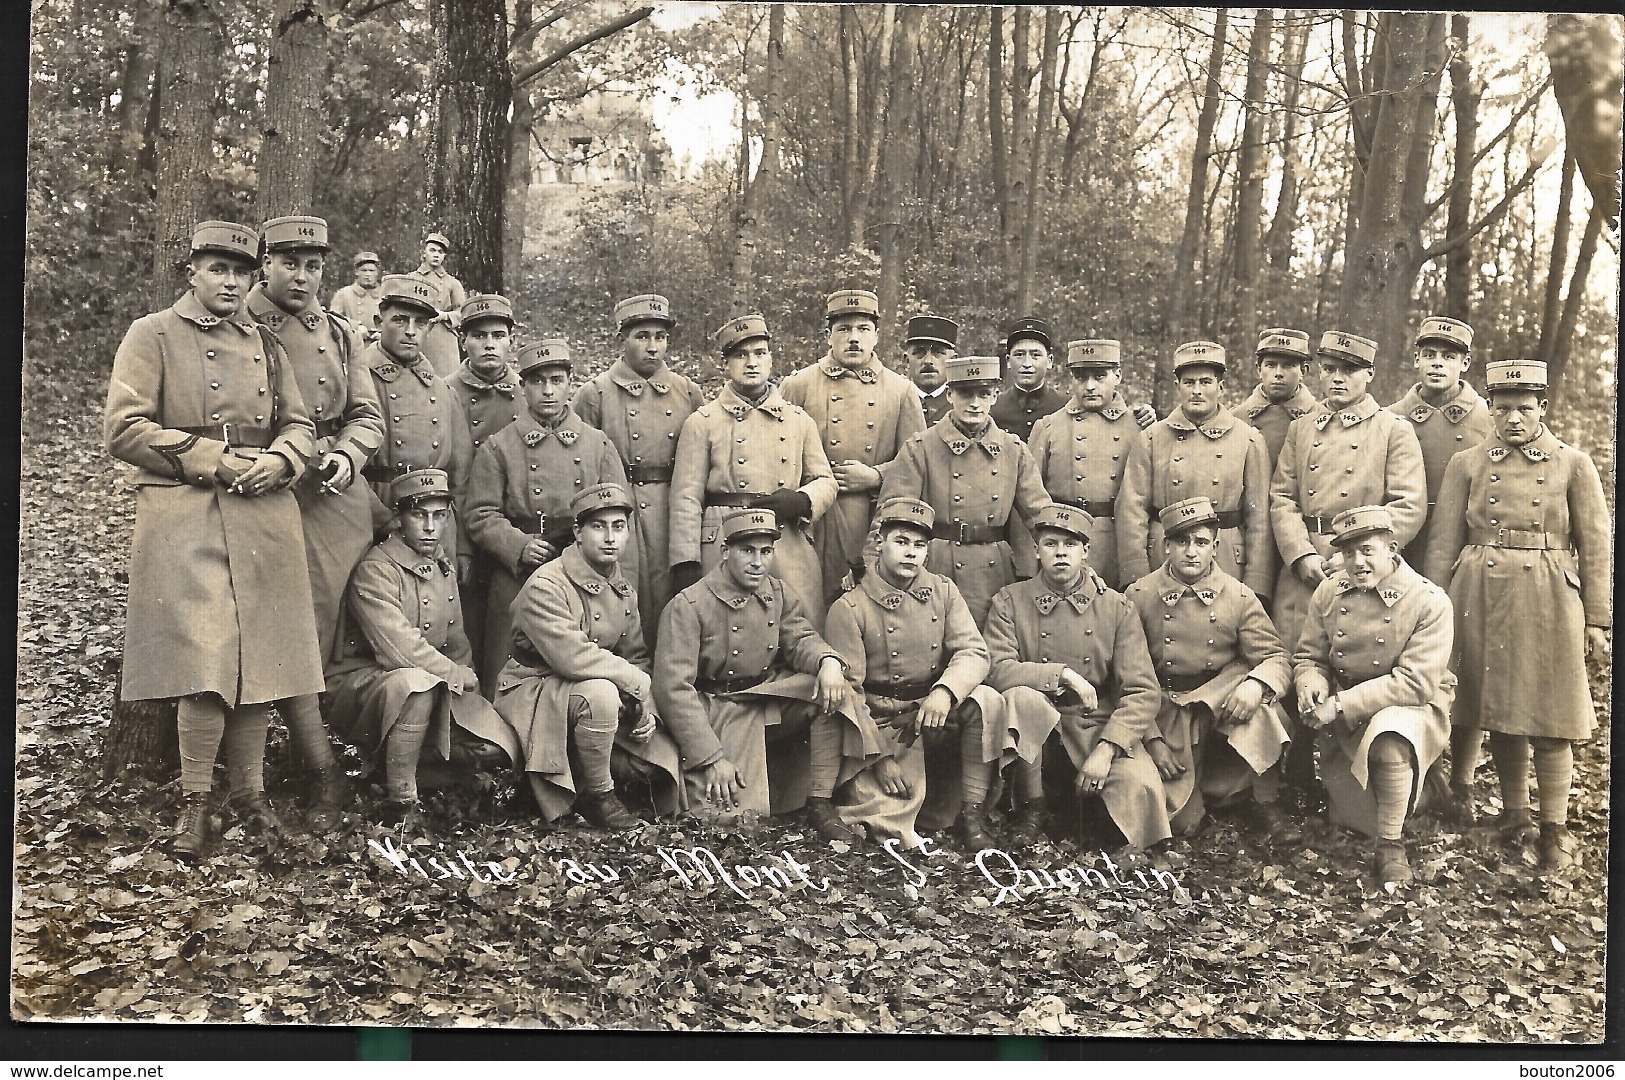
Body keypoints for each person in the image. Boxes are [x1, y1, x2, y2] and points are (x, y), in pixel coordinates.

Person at [105, 220, 322, 856]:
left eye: (242, 272)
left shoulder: (266, 342)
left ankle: (251, 797)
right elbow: (124, 428)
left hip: (263, 509)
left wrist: (283, 460)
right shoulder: (153, 334)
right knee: (204, 661)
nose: (230, 282)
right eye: (217, 269)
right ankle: (194, 800)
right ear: (192, 271)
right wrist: (212, 459)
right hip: (187, 507)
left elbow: (302, 425)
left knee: (263, 660)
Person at [1426, 359, 1611, 870]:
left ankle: (1553, 828)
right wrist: (1434, 611)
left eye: (1523, 409)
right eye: (1502, 408)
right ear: (1489, 408)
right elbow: (1444, 544)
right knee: (1500, 709)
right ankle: (1514, 814)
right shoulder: (1467, 463)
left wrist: (1597, 619)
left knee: (1551, 714)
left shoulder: (1573, 463)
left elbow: (1596, 546)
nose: (1512, 419)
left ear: (1542, 409)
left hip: (1549, 593)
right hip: (1477, 590)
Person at [246, 214, 386, 832]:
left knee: (340, 628)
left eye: (313, 266)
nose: (301, 278)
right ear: (265, 265)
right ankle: (317, 766)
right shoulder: (237, 324)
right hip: (271, 492)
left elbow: (367, 416)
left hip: (337, 494)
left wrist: (348, 456)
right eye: (288, 264)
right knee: (289, 629)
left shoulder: (339, 331)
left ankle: (336, 751)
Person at [655, 508, 885, 830]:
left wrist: (827, 661)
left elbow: (799, 638)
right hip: (718, 711)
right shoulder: (689, 605)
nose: (757, 562)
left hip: (763, 695)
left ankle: (819, 801)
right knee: (734, 821)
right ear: (724, 552)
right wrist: (711, 758)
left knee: (834, 693)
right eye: (747, 551)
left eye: (766, 552)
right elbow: (673, 689)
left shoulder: (775, 592)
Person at [1270, 331, 1426, 795]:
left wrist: (1353, 558)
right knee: (1295, 655)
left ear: (1370, 375)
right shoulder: (1303, 427)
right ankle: (1291, 765)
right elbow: (1281, 497)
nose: (1337, 379)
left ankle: (1355, 773)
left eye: (1349, 370)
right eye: (1330, 369)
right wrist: (1299, 552)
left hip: (1360, 566)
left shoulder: (1393, 429)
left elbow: (1408, 504)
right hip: (1303, 564)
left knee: (1356, 661)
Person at [326, 470, 518, 828]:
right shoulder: (377, 569)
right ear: (398, 518)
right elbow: (399, 652)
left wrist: (468, 697)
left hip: (435, 682)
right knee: (415, 686)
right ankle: (403, 802)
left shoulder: (440, 563)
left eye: (439, 516)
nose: (430, 527)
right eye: (419, 515)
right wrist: (457, 676)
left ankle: (406, 763)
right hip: (369, 687)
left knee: (500, 749)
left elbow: (456, 641)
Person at [825, 497, 1020, 850]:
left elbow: (974, 652)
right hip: (883, 726)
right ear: (879, 543)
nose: (910, 553)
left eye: (919, 545)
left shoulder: (942, 591)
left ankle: (971, 812)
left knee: (986, 699)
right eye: (901, 542)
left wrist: (945, 691)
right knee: (888, 823)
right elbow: (850, 695)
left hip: (932, 713)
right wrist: (879, 760)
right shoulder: (850, 607)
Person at [493, 483, 684, 829]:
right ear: (577, 533)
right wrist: (637, 683)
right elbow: (573, 658)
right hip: (534, 691)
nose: (610, 537)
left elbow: (635, 653)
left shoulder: (620, 585)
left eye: (619, 527)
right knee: (601, 694)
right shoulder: (547, 584)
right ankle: (598, 794)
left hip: (591, 693)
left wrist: (647, 707)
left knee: (660, 760)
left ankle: (574, 779)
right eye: (598, 527)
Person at [983, 505, 1169, 851]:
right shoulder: (1010, 601)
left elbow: (1142, 691)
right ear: (1036, 550)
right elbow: (996, 669)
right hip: (1035, 731)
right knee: (1023, 699)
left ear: (1086, 551)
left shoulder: (1115, 607)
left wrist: (1108, 747)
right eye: (1051, 544)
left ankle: (1088, 815)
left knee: (1138, 787)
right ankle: (1032, 807)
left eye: (1071, 545)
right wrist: (1063, 675)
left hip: (1094, 723)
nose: (1061, 553)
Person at [1294, 506, 1455, 887]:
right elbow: (1308, 655)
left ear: (1392, 549)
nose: (1357, 562)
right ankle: (1425, 786)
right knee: (1353, 818)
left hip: (1410, 705)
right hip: (1348, 708)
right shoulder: (1330, 592)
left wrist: (1338, 705)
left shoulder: (1428, 600)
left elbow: (1414, 682)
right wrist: (1311, 681)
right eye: (1348, 553)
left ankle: (1391, 848)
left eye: (1367, 550)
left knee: (1388, 742)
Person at [466, 338, 632, 695]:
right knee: (507, 665)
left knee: (582, 660)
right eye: (537, 382)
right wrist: (519, 545)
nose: (548, 391)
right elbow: (480, 513)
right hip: (520, 568)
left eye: (556, 380)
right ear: (522, 387)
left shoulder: (597, 443)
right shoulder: (499, 446)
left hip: (582, 566)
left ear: (570, 383)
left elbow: (619, 507)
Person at [1123, 498, 1291, 836]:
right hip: (1164, 706)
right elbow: (1123, 676)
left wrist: (1256, 684)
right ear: (1165, 545)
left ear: (1215, 547)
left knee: (1262, 711)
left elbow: (1276, 657)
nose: (1191, 552)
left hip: (1219, 702)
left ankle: (1265, 800)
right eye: (1181, 541)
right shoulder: (1139, 595)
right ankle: (1202, 792)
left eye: (1201, 542)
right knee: (1182, 823)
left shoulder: (1238, 596)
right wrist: (1152, 740)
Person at [669, 313, 837, 630]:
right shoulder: (703, 421)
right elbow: (686, 497)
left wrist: (802, 500)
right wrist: (685, 561)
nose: (751, 362)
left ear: (771, 359)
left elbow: (825, 480)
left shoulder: (799, 420)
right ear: (726, 364)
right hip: (725, 538)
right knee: (725, 629)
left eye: (759, 353)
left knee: (798, 625)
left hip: (783, 536)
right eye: (740, 355)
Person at [877, 355, 1052, 628]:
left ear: (995, 395)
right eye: (965, 394)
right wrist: (871, 569)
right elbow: (890, 514)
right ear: (949, 394)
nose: (974, 403)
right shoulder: (921, 447)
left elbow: (1041, 516)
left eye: (983, 394)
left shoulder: (1013, 450)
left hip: (994, 570)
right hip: (936, 568)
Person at [573, 294, 706, 647]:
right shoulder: (595, 394)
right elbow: (581, 463)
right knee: (622, 590)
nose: (652, 347)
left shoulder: (687, 392)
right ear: (622, 338)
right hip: (618, 507)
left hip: (670, 507)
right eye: (642, 336)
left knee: (670, 596)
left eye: (659, 337)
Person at [780, 289, 926, 604]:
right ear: (828, 336)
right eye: (844, 329)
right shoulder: (798, 385)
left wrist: (875, 475)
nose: (853, 338)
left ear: (876, 335)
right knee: (806, 602)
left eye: (863, 329)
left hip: (872, 519)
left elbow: (916, 462)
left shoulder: (901, 391)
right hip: (813, 520)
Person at [1118, 340, 1274, 600]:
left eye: (1206, 382)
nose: (1197, 391)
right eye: (1189, 383)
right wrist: (1135, 574)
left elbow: (1259, 519)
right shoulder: (1152, 439)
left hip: (1225, 558)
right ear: (1177, 387)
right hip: (1164, 555)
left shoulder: (1248, 440)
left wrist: (1257, 581)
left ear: (1221, 387)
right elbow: (1131, 510)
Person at [361, 274, 474, 570]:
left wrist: (461, 546)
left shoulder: (442, 389)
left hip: (434, 521)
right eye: (400, 320)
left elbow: (459, 474)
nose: (411, 331)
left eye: (421, 323)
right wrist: (382, 518)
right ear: (378, 321)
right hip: (373, 514)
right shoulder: (355, 379)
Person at [1027, 339, 1148, 589]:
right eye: (1081, 377)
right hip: (1063, 541)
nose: (1090, 386)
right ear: (1070, 378)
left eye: (1100, 376)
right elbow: (1029, 500)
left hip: (1116, 542)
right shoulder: (1048, 427)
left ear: (1118, 375)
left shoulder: (1140, 428)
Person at [449, 293, 522, 668]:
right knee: (465, 622)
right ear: (463, 340)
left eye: (498, 334)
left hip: (512, 531)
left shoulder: (531, 392)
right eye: (479, 335)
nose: (489, 344)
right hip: (462, 523)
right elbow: (451, 474)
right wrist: (461, 546)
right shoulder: (446, 392)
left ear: (512, 339)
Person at [1390, 316, 1494, 573]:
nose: (1437, 363)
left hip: (1465, 541)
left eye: (1449, 356)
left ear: (1465, 363)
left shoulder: (1489, 419)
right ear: (1416, 360)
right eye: (1429, 354)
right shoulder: (1390, 417)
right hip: (1403, 542)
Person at [1233, 328, 1319, 598]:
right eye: (1271, 365)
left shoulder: (1322, 419)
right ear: (1258, 368)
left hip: (1300, 541)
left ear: (1304, 369)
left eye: (1289, 365)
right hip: (1247, 541)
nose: (1278, 373)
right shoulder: (1234, 420)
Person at [991, 316, 1070, 442]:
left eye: (1035, 355)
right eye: (1019, 355)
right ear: (1008, 361)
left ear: (1049, 361)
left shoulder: (1066, 406)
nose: (1027, 363)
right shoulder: (993, 407)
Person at [904, 314, 958, 425]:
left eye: (938, 352)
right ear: (907, 360)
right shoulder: (894, 404)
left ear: (953, 361)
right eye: (919, 352)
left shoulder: (964, 407)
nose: (928, 360)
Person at [330, 251, 383, 342]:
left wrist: (384, 333)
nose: (367, 274)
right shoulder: (343, 294)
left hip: (379, 347)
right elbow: (333, 319)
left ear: (377, 272)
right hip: (352, 345)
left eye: (371, 271)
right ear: (356, 272)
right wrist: (355, 327)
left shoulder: (385, 294)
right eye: (364, 270)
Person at [415, 231, 466, 314]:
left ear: (444, 256)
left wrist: (444, 316)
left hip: (441, 325)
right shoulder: (411, 278)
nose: (436, 255)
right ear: (424, 253)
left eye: (440, 252)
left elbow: (462, 313)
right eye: (432, 250)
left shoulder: (453, 283)